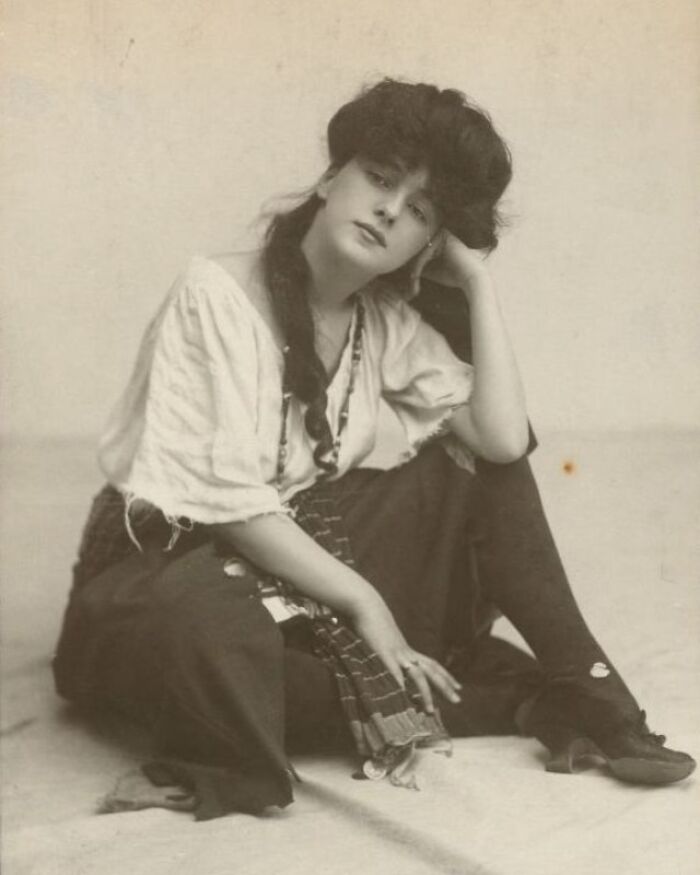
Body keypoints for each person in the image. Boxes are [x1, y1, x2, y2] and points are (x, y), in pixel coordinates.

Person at [53, 78, 695, 821]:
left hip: (275, 572)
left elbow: (501, 439)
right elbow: (230, 506)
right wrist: (368, 605)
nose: (390, 209)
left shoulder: (380, 321)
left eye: (420, 211)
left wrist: (479, 283)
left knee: (478, 473)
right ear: (332, 177)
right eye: (380, 179)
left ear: (428, 243)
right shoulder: (217, 293)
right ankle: (517, 700)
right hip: (161, 576)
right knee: (222, 640)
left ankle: (587, 688)